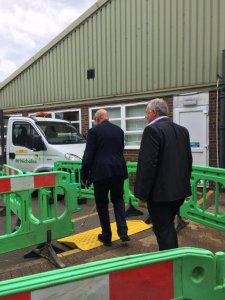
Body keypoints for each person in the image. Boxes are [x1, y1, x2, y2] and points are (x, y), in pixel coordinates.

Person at [134, 98, 192, 251]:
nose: (145, 116)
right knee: (167, 227)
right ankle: (172, 260)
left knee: (163, 230)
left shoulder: (152, 130)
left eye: (146, 112)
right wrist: (186, 189)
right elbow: (187, 160)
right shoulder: (182, 130)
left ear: (154, 112)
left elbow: (148, 166)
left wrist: (142, 195)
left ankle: (170, 265)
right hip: (178, 192)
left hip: (161, 196)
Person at [81, 109, 130, 246]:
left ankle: (106, 235)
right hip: (118, 171)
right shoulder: (119, 131)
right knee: (118, 200)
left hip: (101, 173)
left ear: (97, 119)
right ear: (107, 118)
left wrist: (84, 175)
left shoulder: (93, 132)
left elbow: (89, 154)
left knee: (102, 204)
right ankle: (123, 231)